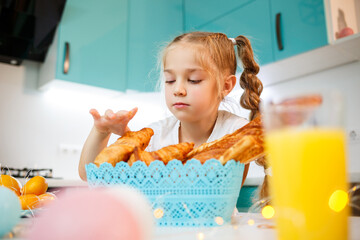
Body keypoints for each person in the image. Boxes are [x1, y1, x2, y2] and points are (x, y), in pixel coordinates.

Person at [78, 31, 266, 198]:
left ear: (225, 86)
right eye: (170, 80)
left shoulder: (238, 132)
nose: (178, 89)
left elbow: (212, 193)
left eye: (193, 80)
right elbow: (90, 176)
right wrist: (102, 132)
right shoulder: (155, 134)